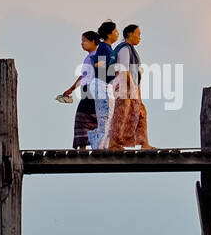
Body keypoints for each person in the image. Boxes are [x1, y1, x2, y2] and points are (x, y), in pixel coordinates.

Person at [107, 23, 154, 149]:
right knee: (121, 114)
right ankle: (113, 143)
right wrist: (132, 86)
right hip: (124, 85)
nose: (140, 37)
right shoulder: (124, 49)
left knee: (140, 113)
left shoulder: (129, 49)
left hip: (131, 86)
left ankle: (144, 143)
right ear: (129, 34)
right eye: (138, 34)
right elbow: (123, 69)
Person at [58, 31, 101, 149]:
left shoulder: (95, 56)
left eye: (84, 41)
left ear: (93, 42)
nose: (82, 44)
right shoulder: (89, 57)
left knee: (82, 118)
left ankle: (84, 148)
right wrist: (71, 88)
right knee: (92, 118)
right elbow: (83, 76)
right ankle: (90, 147)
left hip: (91, 91)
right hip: (88, 91)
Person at [87, 20, 119, 149]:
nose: (117, 34)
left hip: (107, 85)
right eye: (115, 31)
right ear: (109, 34)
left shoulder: (109, 48)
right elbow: (97, 65)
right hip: (101, 84)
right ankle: (98, 145)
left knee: (109, 117)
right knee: (104, 118)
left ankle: (103, 144)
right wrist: (112, 67)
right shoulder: (103, 47)